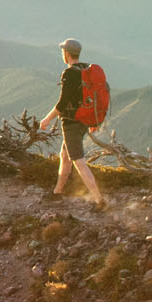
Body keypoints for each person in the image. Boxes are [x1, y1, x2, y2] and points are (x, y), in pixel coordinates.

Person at [41, 38, 106, 208]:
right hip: (84, 120)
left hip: (72, 123)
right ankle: (57, 192)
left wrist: (47, 119)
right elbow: (94, 97)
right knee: (65, 155)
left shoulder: (69, 73)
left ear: (66, 54)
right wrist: (94, 119)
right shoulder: (86, 69)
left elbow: (63, 103)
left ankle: (99, 199)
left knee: (78, 161)